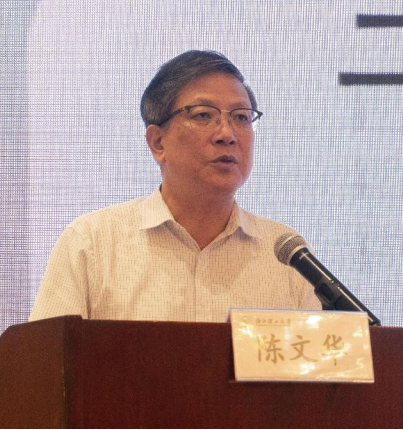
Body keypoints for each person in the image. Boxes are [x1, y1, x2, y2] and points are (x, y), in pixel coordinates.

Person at [29, 50, 322, 322]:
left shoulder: (289, 256)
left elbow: (322, 358)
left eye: (241, 117)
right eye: (203, 115)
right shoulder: (91, 244)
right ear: (158, 142)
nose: (227, 134)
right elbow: (44, 357)